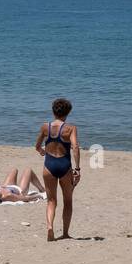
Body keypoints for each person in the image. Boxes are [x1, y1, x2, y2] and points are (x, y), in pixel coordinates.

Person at [34, 98, 81, 241]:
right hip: (64, 166)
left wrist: (42, 151)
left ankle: (50, 227)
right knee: (68, 201)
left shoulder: (45, 127)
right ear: (68, 112)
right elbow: (75, 147)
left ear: (53, 111)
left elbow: (36, 146)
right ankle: (65, 233)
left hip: (49, 166)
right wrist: (77, 169)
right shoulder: (70, 128)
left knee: (51, 201)